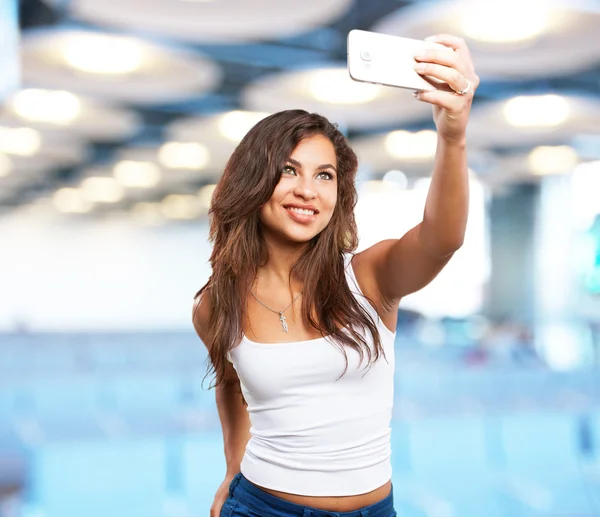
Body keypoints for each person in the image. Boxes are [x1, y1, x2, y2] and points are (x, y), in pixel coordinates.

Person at [193, 33, 479, 517]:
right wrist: (231, 466)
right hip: (261, 507)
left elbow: (442, 238)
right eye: (288, 170)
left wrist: (453, 136)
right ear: (253, 182)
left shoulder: (370, 277)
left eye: (324, 175)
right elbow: (229, 381)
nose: (308, 190)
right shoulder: (216, 303)